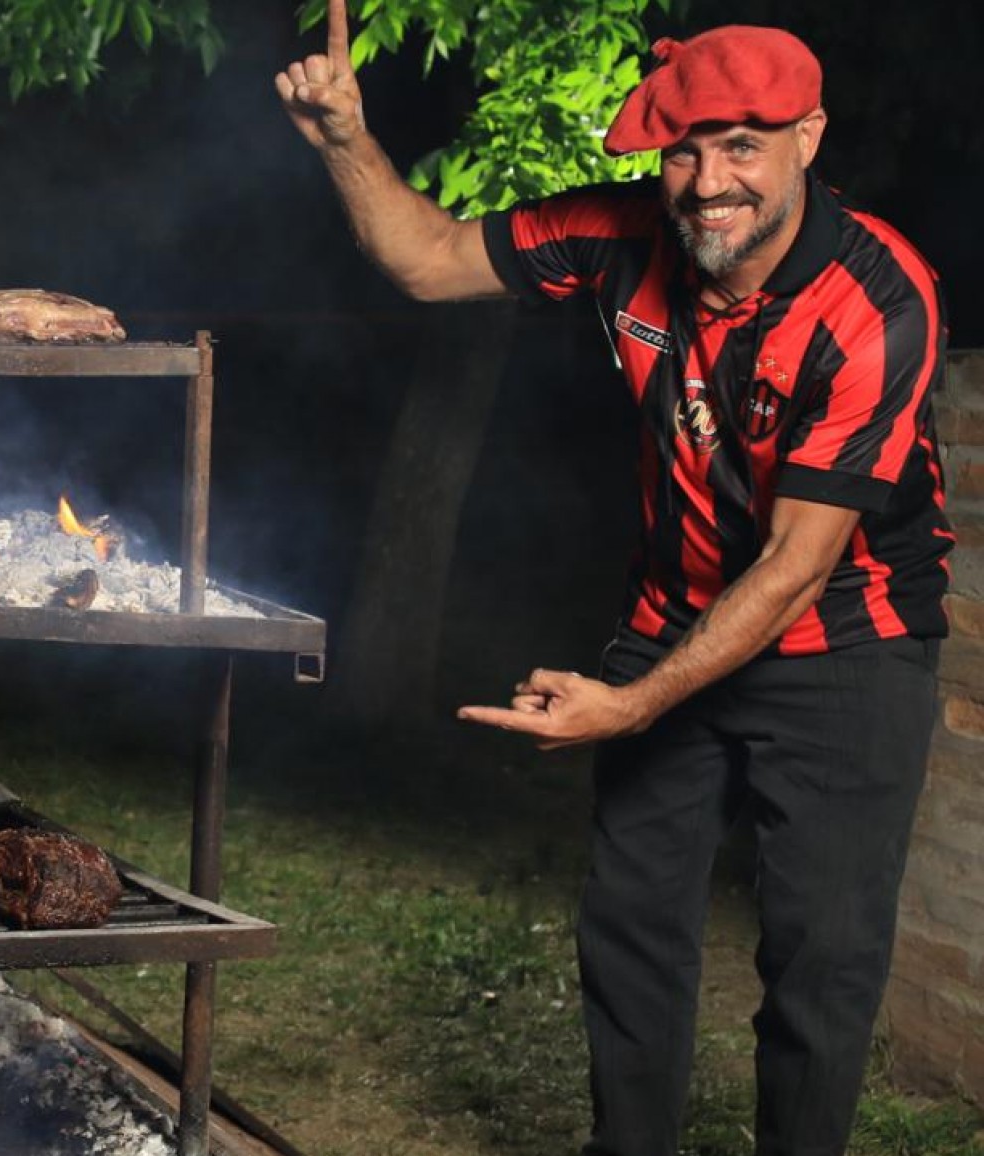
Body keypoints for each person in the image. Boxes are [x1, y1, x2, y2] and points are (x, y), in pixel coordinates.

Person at [277, 4, 953, 1155]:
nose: (707, 180)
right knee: (630, 926)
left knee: (820, 963)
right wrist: (344, 134)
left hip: (849, 640)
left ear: (809, 136)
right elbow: (428, 261)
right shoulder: (616, 232)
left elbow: (796, 566)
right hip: (675, 612)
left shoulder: (877, 300)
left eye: (744, 143)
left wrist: (632, 704)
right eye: (684, 147)